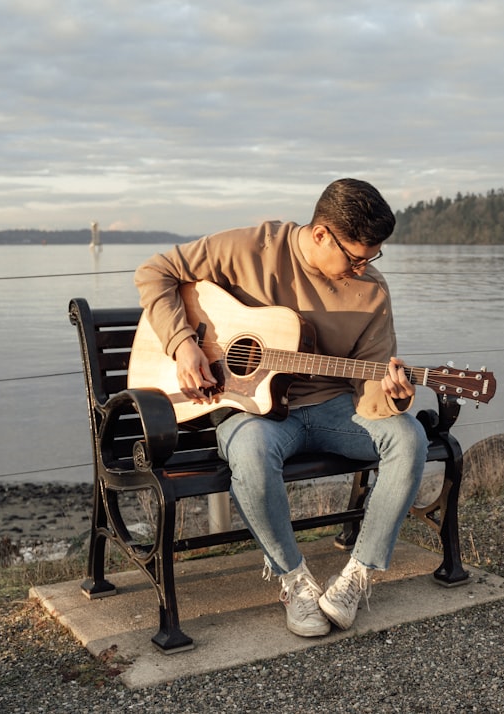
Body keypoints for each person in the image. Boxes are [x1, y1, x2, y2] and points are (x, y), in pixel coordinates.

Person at [134, 178, 428, 637]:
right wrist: (182, 343)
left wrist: (395, 393)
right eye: (355, 257)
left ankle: (354, 577)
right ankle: (294, 580)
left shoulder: (370, 291)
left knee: (410, 438)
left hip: (333, 411)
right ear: (319, 234)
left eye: (372, 256)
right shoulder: (250, 248)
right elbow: (156, 271)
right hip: (253, 412)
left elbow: (368, 387)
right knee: (250, 452)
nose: (363, 267)